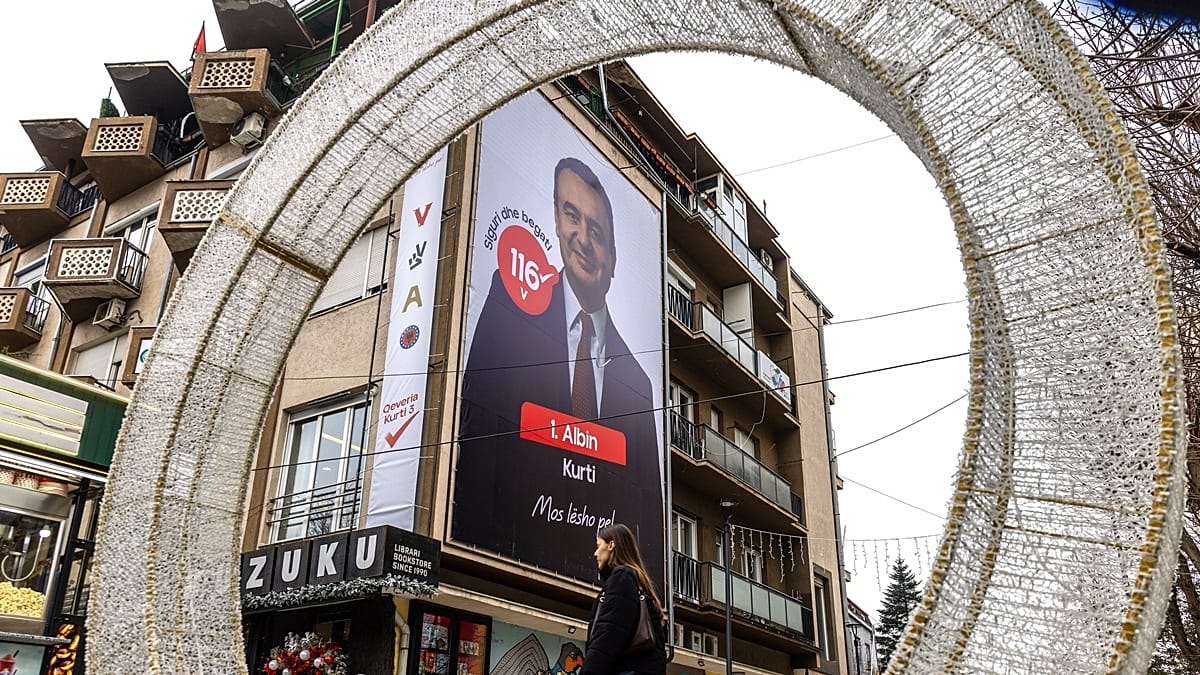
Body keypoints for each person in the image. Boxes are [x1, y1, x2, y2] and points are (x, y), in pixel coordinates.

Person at [454, 157, 662, 582]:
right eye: (572, 216)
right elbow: (473, 440)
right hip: (503, 566)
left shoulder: (638, 385)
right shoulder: (510, 307)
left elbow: (651, 527)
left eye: (598, 233)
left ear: (614, 258)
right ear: (555, 219)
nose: (583, 239)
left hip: (602, 584)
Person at [581, 524, 668, 675]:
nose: (595, 553)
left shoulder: (622, 577)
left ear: (611, 545)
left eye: (598, 546)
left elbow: (609, 632)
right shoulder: (639, 582)